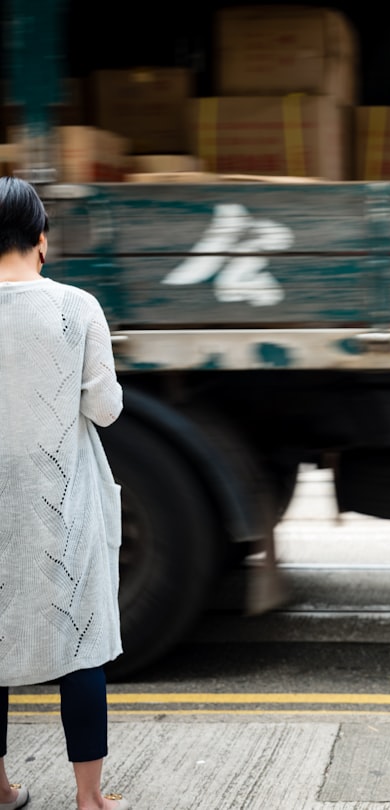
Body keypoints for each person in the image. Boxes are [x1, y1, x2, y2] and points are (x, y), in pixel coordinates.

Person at [0, 177, 129, 810]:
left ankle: (0, 788)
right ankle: (89, 798)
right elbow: (105, 410)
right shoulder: (76, 307)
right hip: (60, 502)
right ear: (41, 239)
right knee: (80, 643)